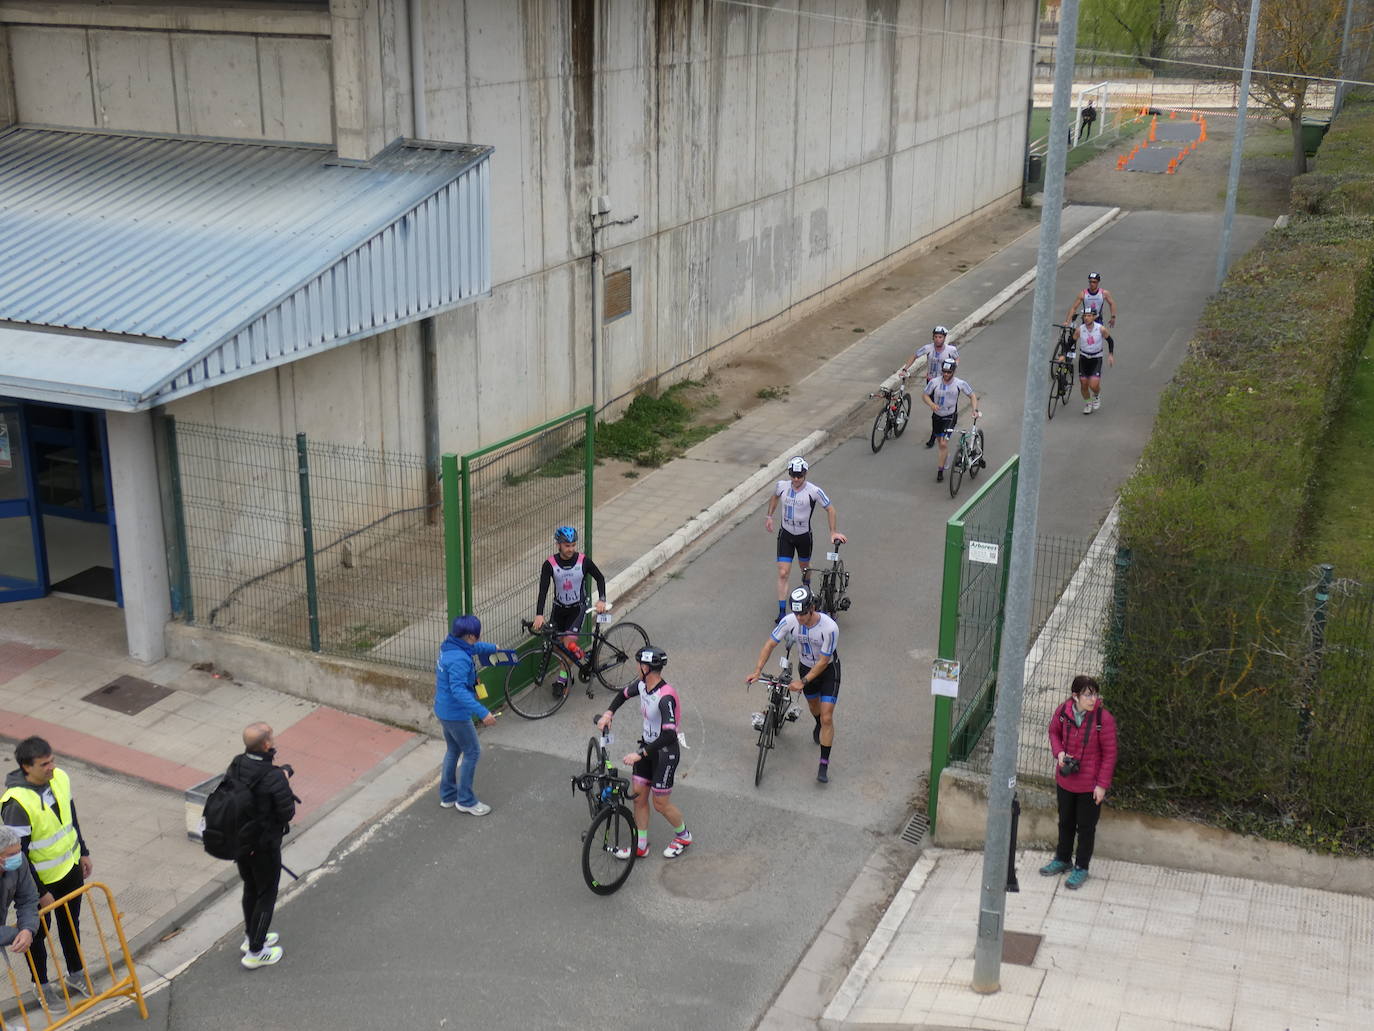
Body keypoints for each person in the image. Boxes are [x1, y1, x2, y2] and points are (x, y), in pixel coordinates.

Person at [1, 737, 91, 1000]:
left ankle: (76, 974)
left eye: (52, 760)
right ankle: (41, 986)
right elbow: (20, 853)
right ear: (27, 768)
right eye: (44, 764)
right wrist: (40, 891)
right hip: (40, 882)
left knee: (70, 926)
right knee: (38, 935)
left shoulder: (60, 777)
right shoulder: (16, 803)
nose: (52, 766)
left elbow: (71, 818)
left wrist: (83, 851)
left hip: (71, 868)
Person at [596, 647, 691, 859]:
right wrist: (608, 713)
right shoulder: (642, 685)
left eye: (638, 664)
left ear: (646, 667)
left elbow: (668, 735)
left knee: (660, 804)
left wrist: (641, 755)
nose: (636, 667)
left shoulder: (665, 697)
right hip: (647, 747)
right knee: (639, 798)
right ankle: (640, 845)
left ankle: (683, 836)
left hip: (665, 753)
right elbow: (622, 695)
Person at [747, 586, 840, 783]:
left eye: (803, 614)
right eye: (796, 613)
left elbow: (824, 661)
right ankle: (817, 724)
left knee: (827, 717)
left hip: (828, 671)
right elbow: (770, 644)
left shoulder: (829, 628)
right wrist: (757, 670)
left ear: (812, 608)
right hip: (805, 668)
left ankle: (823, 763)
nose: (799, 618)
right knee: (814, 707)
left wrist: (803, 682)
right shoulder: (789, 621)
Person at [1040, 675, 1117, 889]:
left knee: (1086, 828)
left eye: (1095, 694)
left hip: (1090, 786)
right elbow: (1053, 732)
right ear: (1075, 696)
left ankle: (1081, 867)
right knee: (1065, 822)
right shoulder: (1064, 712)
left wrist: (1101, 785)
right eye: (1087, 694)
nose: (1093, 699)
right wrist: (1060, 753)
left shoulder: (1104, 719)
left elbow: (1110, 754)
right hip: (1066, 780)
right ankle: (1063, 859)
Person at [229, 723, 296, 969]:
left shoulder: (237, 764)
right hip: (264, 845)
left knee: (251, 888)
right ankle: (256, 952)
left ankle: (252, 936)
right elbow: (287, 812)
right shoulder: (272, 777)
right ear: (267, 744)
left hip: (241, 841)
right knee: (266, 894)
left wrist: (280, 776)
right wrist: (283, 780)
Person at [765, 457, 846, 623]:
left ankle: (806, 591)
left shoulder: (813, 491)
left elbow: (830, 509)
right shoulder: (781, 486)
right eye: (793, 475)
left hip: (803, 537)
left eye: (799, 476)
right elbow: (774, 497)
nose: (796, 479)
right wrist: (769, 516)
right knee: (783, 572)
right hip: (786, 535)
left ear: (805, 473)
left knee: (805, 569)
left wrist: (833, 532)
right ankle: (781, 612)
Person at [435, 614, 500, 817]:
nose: (478, 640)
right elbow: (459, 690)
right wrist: (483, 713)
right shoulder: (461, 660)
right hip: (456, 714)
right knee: (472, 752)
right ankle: (466, 800)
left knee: (453, 749)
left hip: (443, 710)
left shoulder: (451, 645)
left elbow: (474, 648)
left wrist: (493, 648)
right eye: (477, 636)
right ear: (471, 636)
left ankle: (448, 796)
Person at [531, 526, 609, 693]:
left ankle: (562, 680)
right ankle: (578, 658)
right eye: (567, 545)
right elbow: (543, 590)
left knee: (568, 643)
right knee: (558, 647)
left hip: (577, 609)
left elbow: (600, 578)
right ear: (558, 544)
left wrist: (602, 599)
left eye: (573, 545)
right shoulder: (549, 564)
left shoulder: (583, 561)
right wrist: (539, 614)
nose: (571, 549)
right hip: (558, 609)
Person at [898, 325, 960, 447]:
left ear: (944, 338)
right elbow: (914, 356)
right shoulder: (928, 348)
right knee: (935, 408)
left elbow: (957, 359)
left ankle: (935, 435)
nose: (938, 339)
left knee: (942, 408)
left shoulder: (951, 350)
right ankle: (940, 429)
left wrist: (953, 368)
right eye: (936, 337)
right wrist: (905, 369)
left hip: (946, 382)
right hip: (932, 383)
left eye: (940, 337)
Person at [922, 358, 979, 483]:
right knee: (939, 441)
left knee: (943, 443)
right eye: (944, 372)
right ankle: (945, 455)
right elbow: (925, 395)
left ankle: (940, 471)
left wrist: (975, 409)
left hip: (950, 416)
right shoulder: (934, 382)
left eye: (949, 372)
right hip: (936, 416)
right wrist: (931, 404)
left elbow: (972, 395)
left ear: (954, 371)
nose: (946, 374)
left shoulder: (960, 383)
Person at [0, 825, 38, 975]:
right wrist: (16, 934)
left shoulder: (19, 861)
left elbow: (28, 898)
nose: (18, 856)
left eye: (18, 850)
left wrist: (27, 929)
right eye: (11, 854)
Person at [1073, 305, 1114, 413]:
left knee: (1094, 385)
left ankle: (1096, 394)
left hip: (1096, 358)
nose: (1086, 318)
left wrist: (1110, 354)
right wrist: (1065, 355)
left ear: (1094, 317)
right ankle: (1088, 403)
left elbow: (1110, 341)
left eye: (1089, 316)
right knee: (1083, 384)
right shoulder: (1079, 330)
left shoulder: (1101, 329)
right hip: (1084, 358)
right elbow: (1071, 342)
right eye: (1085, 316)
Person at [1064, 272, 1116, 347]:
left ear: (1098, 282)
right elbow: (1073, 307)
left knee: (1096, 341)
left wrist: (1113, 317)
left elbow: (1112, 303)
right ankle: (1070, 350)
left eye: (1094, 282)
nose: (1092, 284)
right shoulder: (1083, 293)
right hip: (1086, 319)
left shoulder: (1104, 293)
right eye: (1090, 282)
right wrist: (1067, 321)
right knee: (1081, 338)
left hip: (1097, 320)